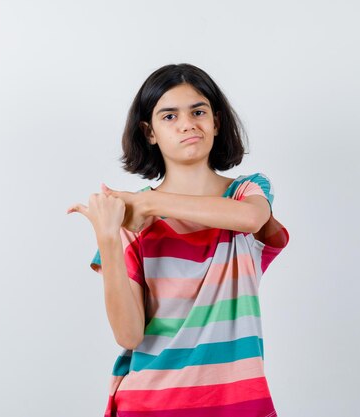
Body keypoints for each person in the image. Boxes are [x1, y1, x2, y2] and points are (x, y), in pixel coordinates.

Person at [67, 63, 290, 417]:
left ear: (216, 122)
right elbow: (128, 335)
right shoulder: (132, 223)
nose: (187, 123)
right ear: (149, 132)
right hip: (148, 404)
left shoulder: (247, 192)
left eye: (198, 111)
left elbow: (249, 220)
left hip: (238, 405)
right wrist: (108, 237)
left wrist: (148, 201)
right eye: (169, 116)